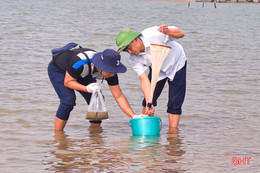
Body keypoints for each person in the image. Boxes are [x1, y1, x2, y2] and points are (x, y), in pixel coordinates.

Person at [48, 46, 138, 131]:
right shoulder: (80, 62)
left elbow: (119, 96)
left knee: (97, 99)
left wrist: (133, 116)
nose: (113, 74)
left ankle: (95, 136)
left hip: (83, 72)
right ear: (102, 67)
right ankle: (58, 136)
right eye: (111, 70)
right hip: (59, 70)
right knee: (68, 101)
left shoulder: (111, 73)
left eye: (115, 70)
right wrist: (87, 88)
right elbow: (67, 82)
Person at [116, 24, 187, 128]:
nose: (130, 52)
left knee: (174, 104)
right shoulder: (133, 59)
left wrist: (168, 32)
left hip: (177, 63)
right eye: (126, 51)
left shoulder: (154, 34)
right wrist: (150, 102)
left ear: (135, 39)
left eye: (129, 48)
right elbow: (144, 80)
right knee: (147, 102)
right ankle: (146, 129)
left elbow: (181, 33)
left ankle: (173, 135)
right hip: (157, 69)